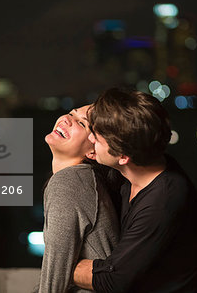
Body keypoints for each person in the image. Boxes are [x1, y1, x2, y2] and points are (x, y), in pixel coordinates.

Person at [73, 88, 197, 292]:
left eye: (97, 138)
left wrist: (61, 263)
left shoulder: (162, 201)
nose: (90, 139)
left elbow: (113, 279)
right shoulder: (134, 170)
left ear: (123, 156)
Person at [36, 105, 121, 293]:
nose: (67, 119)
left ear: (93, 150)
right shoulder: (85, 179)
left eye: (81, 123)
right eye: (70, 113)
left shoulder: (70, 181)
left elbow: (54, 277)